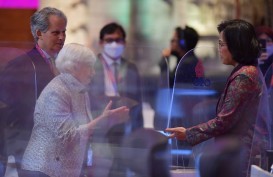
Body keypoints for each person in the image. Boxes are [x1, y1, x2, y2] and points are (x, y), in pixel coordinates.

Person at [165, 19, 265, 177]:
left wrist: (188, 133)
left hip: (239, 155)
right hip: (234, 151)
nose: (219, 49)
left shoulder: (244, 76)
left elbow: (224, 121)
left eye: (222, 44)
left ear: (235, 45)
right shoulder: (245, 71)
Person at [21, 43, 129, 177]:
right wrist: (102, 120)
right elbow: (67, 137)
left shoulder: (80, 90)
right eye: (89, 67)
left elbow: (85, 131)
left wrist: (108, 122)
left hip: (63, 170)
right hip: (43, 170)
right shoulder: (56, 92)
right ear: (75, 66)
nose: (93, 72)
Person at [0, 7, 67, 175]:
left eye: (64, 32)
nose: (62, 37)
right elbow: (10, 110)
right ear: (39, 33)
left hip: (61, 148)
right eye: (55, 32)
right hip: (31, 148)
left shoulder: (66, 64)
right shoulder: (21, 65)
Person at [88, 22, 143, 177]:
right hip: (98, 123)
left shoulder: (131, 67)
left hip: (125, 124)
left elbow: (138, 101)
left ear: (124, 43)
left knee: (121, 167)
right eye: (109, 40)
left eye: (118, 40)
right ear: (101, 43)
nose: (114, 44)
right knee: (100, 166)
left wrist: (138, 131)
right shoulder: (91, 66)